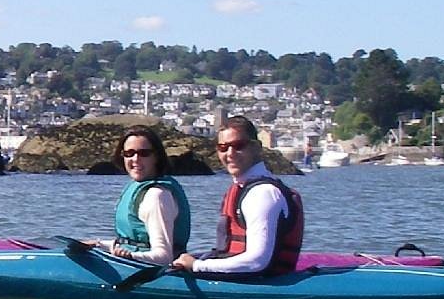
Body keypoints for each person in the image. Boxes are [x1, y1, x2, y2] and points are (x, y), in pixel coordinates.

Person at [172, 116, 304, 276]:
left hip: (263, 283)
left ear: (256, 148)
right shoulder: (242, 188)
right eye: (223, 147)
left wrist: (197, 266)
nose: (230, 153)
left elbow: (257, 261)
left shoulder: (262, 194)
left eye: (238, 146)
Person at [95, 126, 190, 265]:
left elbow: (164, 257)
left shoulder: (157, 196)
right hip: (133, 265)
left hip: (153, 273)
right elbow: (132, 242)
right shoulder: (137, 188)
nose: (136, 159)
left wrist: (131, 257)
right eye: (129, 153)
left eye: (144, 153)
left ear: (156, 157)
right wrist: (98, 245)